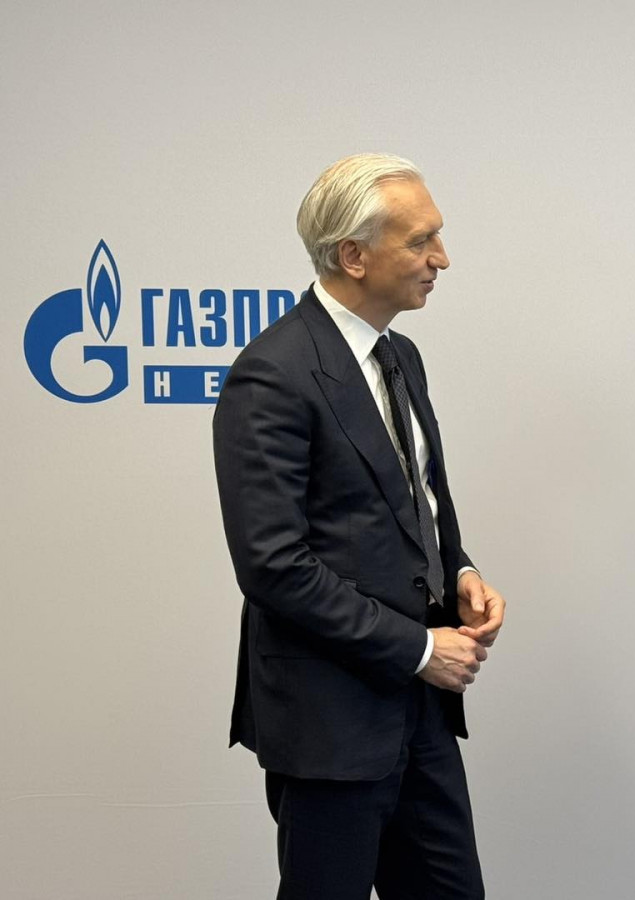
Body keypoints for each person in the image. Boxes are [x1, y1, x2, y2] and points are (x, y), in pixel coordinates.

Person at [213, 153, 504, 899]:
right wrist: (418, 649)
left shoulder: (401, 355)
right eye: (420, 241)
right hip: (329, 723)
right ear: (353, 255)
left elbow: (416, 504)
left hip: (421, 714)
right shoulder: (273, 373)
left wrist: (460, 571)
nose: (442, 258)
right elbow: (273, 565)